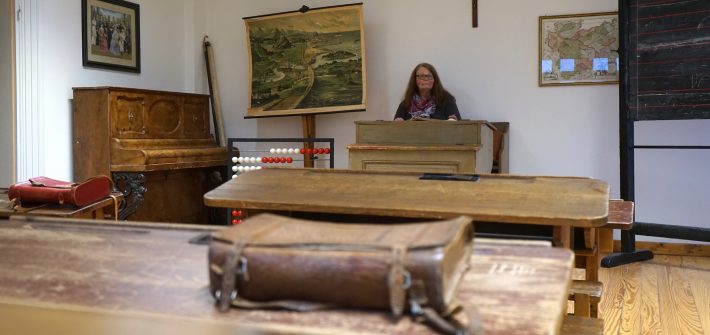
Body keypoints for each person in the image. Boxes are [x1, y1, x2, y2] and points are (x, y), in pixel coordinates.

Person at [394, 63, 461, 121]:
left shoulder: (447, 100)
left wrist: (454, 122)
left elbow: (459, 128)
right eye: (421, 76)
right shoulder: (406, 103)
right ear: (414, 80)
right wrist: (398, 123)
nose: (426, 79)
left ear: (435, 80)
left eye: (429, 76)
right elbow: (395, 129)